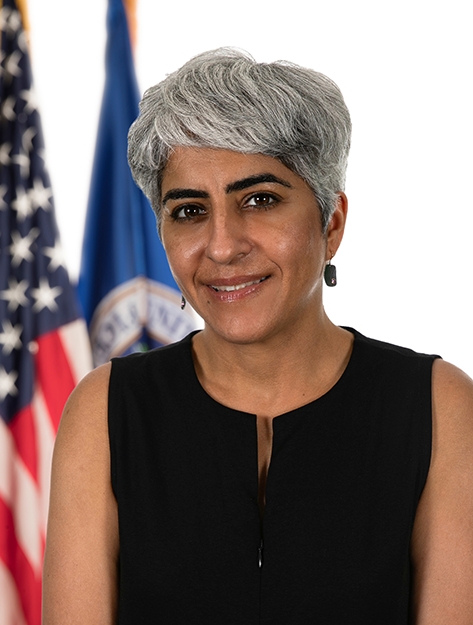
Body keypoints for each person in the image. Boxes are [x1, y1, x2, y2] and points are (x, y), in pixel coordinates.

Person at [42, 48, 473, 624]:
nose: (222, 246)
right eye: (190, 211)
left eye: (260, 200)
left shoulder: (438, 406)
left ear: (332, 223)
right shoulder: (105, 409)